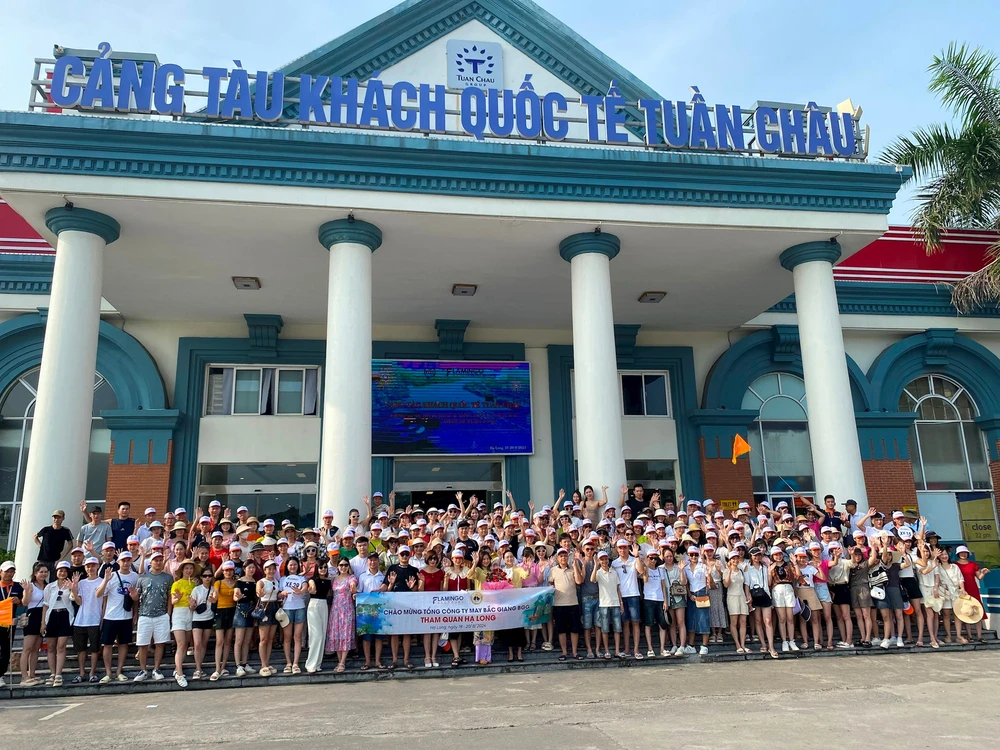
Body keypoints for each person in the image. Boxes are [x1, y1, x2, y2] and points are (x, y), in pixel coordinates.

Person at [96, 551, 137, 683]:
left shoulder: (135, 576)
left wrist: (135, 612)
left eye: (128, 560)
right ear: (118, 562)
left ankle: (119, 671)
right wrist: (106, 580)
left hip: (126, 616)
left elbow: (136, 599)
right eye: (123, 560)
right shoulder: (111, 575)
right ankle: (108, 672)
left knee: (123, 644)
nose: (125, 563)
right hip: (111, 616)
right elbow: (98, 594)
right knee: (107, 645)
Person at [132, 551, 173, 682]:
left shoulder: (168, 577)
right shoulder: (142, 578)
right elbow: (137, 599)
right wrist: (135, 610)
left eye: (161, 560)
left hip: (162, 615)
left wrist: (169, 613)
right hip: (145, 614)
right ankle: (143, 670)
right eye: (156, 560)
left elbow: (170, 596)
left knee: (160, 643)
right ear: (151, 562)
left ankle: (156, 668)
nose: (158, 562)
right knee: (142, 644)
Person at [40, 561, 76, 687]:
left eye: (65, 571)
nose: (62, 573)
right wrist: (43, 623)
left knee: (61, 646)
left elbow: (73, 598)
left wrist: (72, 587)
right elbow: (45, 605)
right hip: (52, 616)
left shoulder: (70, 585)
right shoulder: (49, 587)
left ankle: (59, 674)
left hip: (65, 615)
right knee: (50, 647)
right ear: (56, 572)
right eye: (60, 570)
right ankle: (52, 673)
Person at [386, 545, 421, 669]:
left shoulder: (414, 570)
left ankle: (406, 659)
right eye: (402, 554)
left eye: (406, 554)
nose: (404, 556)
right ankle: (394, 660)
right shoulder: (392, 568)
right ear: (398, 555)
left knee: (407, 633)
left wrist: (412, 587)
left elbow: (418, 590)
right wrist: (388, 585)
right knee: (394, 632)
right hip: (394, 603)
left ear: (410, 554)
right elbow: (386, 587)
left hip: (408, 604)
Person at [547, 547, 584, 661]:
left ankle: (574, 652)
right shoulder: (553, 570)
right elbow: (550, 584)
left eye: (565, 555)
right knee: (561, 630)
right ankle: (564, 652)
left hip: (573, 603)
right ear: (558, 558)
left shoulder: (573, 568)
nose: (563, 557)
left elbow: (579, 581)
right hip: (559, 604)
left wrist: (575, 566)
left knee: (574, 629)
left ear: (568, 557)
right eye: (561, 556)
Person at [70, 556, 103, 683]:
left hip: (95, 620)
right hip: (80, 620)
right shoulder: (82, 583)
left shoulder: (102, 581)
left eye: (93, 565)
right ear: (85, 568)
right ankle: (82, 673)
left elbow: (103, 599)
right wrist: (74, 588)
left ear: (97, 567)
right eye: (88, 566)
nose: (91, 568)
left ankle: (92, 673)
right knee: (81, 649)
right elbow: (79, 602)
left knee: (95, 649)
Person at [611, 538, 645, 659]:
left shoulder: (634, 560)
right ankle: (626, 648)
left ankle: (636, 649)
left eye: (624, 547)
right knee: (625, 623)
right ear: (617, 549)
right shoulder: (614, 564)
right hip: (621, 596)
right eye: (620, 548)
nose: (622, 550)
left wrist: (636, 556)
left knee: (635, 623)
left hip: (633, 594)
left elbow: (641, 571)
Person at [326, 557, 358, 673]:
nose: (343, 567)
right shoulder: (333, 579)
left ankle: (343, 662)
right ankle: (339, 661)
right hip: (335, 609)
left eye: (345, 565)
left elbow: (353, 586)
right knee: (337, 634)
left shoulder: (351, 578)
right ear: (338, 567)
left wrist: (353, 587)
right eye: (341, 565)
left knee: (346, 634)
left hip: (347, 609)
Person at [496, 549, 528, 662]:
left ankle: (519, 652)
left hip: (517, 602)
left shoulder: (518, 569)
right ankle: (510, 652)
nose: (509, 559)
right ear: (504, 560)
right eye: (507, 557)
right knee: (508, 628)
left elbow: (525, 576)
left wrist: (527, 568)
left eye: (511, 556)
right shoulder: (501, 571)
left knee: (519, 627)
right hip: (506, 603)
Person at [277, 556, 308, 674]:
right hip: (287, 609)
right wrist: (282, 593)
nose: (293, 567)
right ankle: (288, 662)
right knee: (287, 637)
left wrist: (301, 590)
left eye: (295, 564)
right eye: (291, 565)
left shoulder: (301, 577)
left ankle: (295, 663)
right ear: (287, 567)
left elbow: (305, 586)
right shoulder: (283, 579)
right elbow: (278, 595)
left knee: (298, 636)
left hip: (299, 607)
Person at [169, 559, 197, 687]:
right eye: (186, 568)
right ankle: (179, 672)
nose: (189, 571)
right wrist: (178, 598)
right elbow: (173, 601)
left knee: (185, 644)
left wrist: (192, 605)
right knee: (180, 643)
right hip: (179, 613)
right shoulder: (177, 583)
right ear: (182, 570)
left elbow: (194, 604)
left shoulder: (195, 585)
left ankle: (177, 668)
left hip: (190, 613)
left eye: (191, 568)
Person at [745, 547, 777, 658]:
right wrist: (748, 596)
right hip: (754, 595)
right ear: (751, 556)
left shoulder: (764, 567)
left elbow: (768, 583)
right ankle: (763, 644)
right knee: (758, 621)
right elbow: (747, 584)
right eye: (755, 555)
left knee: (768, 621)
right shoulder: (748, 568)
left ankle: (771, 646)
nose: (757, 557)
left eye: (759, 555)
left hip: (765, 594)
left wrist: (769, 571)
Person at [356, 554, 387, 671]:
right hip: (365, 610)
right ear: (367, 562)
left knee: (379, 637)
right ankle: (367, 661)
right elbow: (359, 592)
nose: (373, 562)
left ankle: (378, 661)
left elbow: (386, 589)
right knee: (366, 638)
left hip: (379, 610)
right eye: (371, 560)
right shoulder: (362, 576)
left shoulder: (382, 576)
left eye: (375, 560)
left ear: (378, 562)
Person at [954, 545, 989, 644]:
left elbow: (979, 577)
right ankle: (969, 635)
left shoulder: (973, 564)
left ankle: (979, 636)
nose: (963, 554)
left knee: (978, 611)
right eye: (961, 553)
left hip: (973, 589)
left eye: (965, 552)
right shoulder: (955, 565)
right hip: (962, 591)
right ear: (958, 554)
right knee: (966, 612)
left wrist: (984, 573)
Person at [210, 560, 239, 680]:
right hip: (221, 612)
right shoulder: (218, 583)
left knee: (228, 641)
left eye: (230, 570)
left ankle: (223, 667)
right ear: (223, 571)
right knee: (219, 641)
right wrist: (214, 597)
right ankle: (217, 668)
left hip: (232, 611)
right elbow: (215, 593)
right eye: (226, 570)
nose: (228, 572)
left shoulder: (237, 582)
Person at [591, 550, 622, 659]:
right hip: (604, 603)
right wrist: (595, 565)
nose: (604, 561)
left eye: (605, 559)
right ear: (599, 561)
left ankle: (617, 651)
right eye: (602, 559)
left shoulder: (614, 572)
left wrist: (621, 603)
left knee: (617, 628)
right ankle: (607, 651)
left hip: (615, 603)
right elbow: (592, 579)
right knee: (604, 629)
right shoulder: (598, 572)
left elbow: (618, 588)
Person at [418, 551, 445, 667]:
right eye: (430, 559)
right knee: (427, 631)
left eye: (434, 559)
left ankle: (434, 656)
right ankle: (427, 656)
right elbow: (420, 591)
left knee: (436, 631)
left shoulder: (441, 573)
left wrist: (447, 580)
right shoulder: (422, 572)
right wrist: (422, 581)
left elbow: (443, 591)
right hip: (426, 605)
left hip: (438, 605)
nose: (433, 561)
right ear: (427, 560)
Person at [640, 549, 670, 657]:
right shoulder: (645, 569)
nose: (653, 560)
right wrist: (646, 566)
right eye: (651, 558)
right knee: (648, 624)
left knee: (662, 625)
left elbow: (663, 586)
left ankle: (662, 648)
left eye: (655, 558)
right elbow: (646, 580)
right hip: (648, 599)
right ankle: (650, 648)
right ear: (648, 558)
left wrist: (665, 601)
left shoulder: (660, 570)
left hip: (660, 599)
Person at [769, 546, 798, 652]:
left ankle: (791, 640)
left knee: (790, 617)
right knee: (782, 618)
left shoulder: (788, 565)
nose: (778, 556)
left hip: (788, 588)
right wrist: (769, 571)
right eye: (776, 555)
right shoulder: (770, 567)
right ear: (772, 556)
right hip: (777, 589)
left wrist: (795, 563)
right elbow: (769, 583)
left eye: (779, 554)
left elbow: (796, 576)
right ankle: (784, 641)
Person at [190, 566, 218, 678]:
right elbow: (192, 607)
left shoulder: (214, 589)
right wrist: (192, 605)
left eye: (209, 576)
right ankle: (197, 668)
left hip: (209, 618)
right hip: (197, 618)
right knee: (197, 644)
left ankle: (199, 667)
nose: (207, 578)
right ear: (201, 577)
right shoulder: (196, 589)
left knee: (204, 643)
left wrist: (214, 601)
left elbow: (216, 605)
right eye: (205, 576)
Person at [256, 559, 282, 676]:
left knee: (271, 639)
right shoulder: (261, 581)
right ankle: (263, 664)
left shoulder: (276, 581)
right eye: (269, 569)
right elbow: (258, 591)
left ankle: (267, 662)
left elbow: (278, 594)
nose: (271, 571)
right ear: (264, 570)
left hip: (274, 607)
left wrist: (283, 594)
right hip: (265, 607)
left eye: (273, 569)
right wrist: (259, 593)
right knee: (263, 639)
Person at [305, 558, 331, 674]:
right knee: (316, 636)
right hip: (314, 605)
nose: (323, 569)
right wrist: (312, 588)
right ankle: (310, 664)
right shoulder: (312, 579)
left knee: (323, 634)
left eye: (325, 567)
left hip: (324, 605)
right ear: (317, 568)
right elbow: (311, 587)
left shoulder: (329, 581)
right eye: (321, 567)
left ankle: (317, 664)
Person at [0, 561, 23, 689]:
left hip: (9, 622)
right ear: (1, 572)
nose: (9, 573)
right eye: (7, 571)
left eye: (12, 571)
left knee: (5, 649)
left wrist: (18, 601)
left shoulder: (18, 586)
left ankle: (0, 674)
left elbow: (24, 603)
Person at [724, 554, 750, 654]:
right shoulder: (726, 571)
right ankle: (737, 644)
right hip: (732, 597)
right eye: (733, 558)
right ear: (730, 560)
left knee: (743, 622)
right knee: (734, 622)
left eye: (737, 558)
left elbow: (745, 583)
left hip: (742, 596)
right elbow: (726, 585)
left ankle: (743, 644)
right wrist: (729, 571)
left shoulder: (741, 570)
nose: (735, 560)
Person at [33, 510, 73, 575]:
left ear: (63, 518)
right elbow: (35, 537)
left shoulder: (65, 531)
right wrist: (41, 546)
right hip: (43, 559)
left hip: (55, 560)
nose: (56, 519)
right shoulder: (46, 529)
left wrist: (61, 558)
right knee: (39, 578)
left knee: (53, 581)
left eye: (59, 517)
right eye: (55, 517)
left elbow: (70, 545)